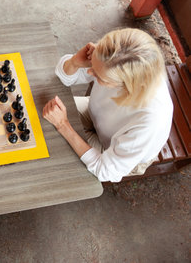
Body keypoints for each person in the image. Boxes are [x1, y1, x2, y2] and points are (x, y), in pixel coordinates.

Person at [42, 28, 173, 182]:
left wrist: (63, 125)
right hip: (96, 116)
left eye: (98, 75)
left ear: (126, 84)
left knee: (54, 158)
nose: (90, 72)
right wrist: (75, 62)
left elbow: (105, 171)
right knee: (40, 115)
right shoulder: (114, 57)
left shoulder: (151, 121)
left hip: (111, 153)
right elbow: (66, 78)